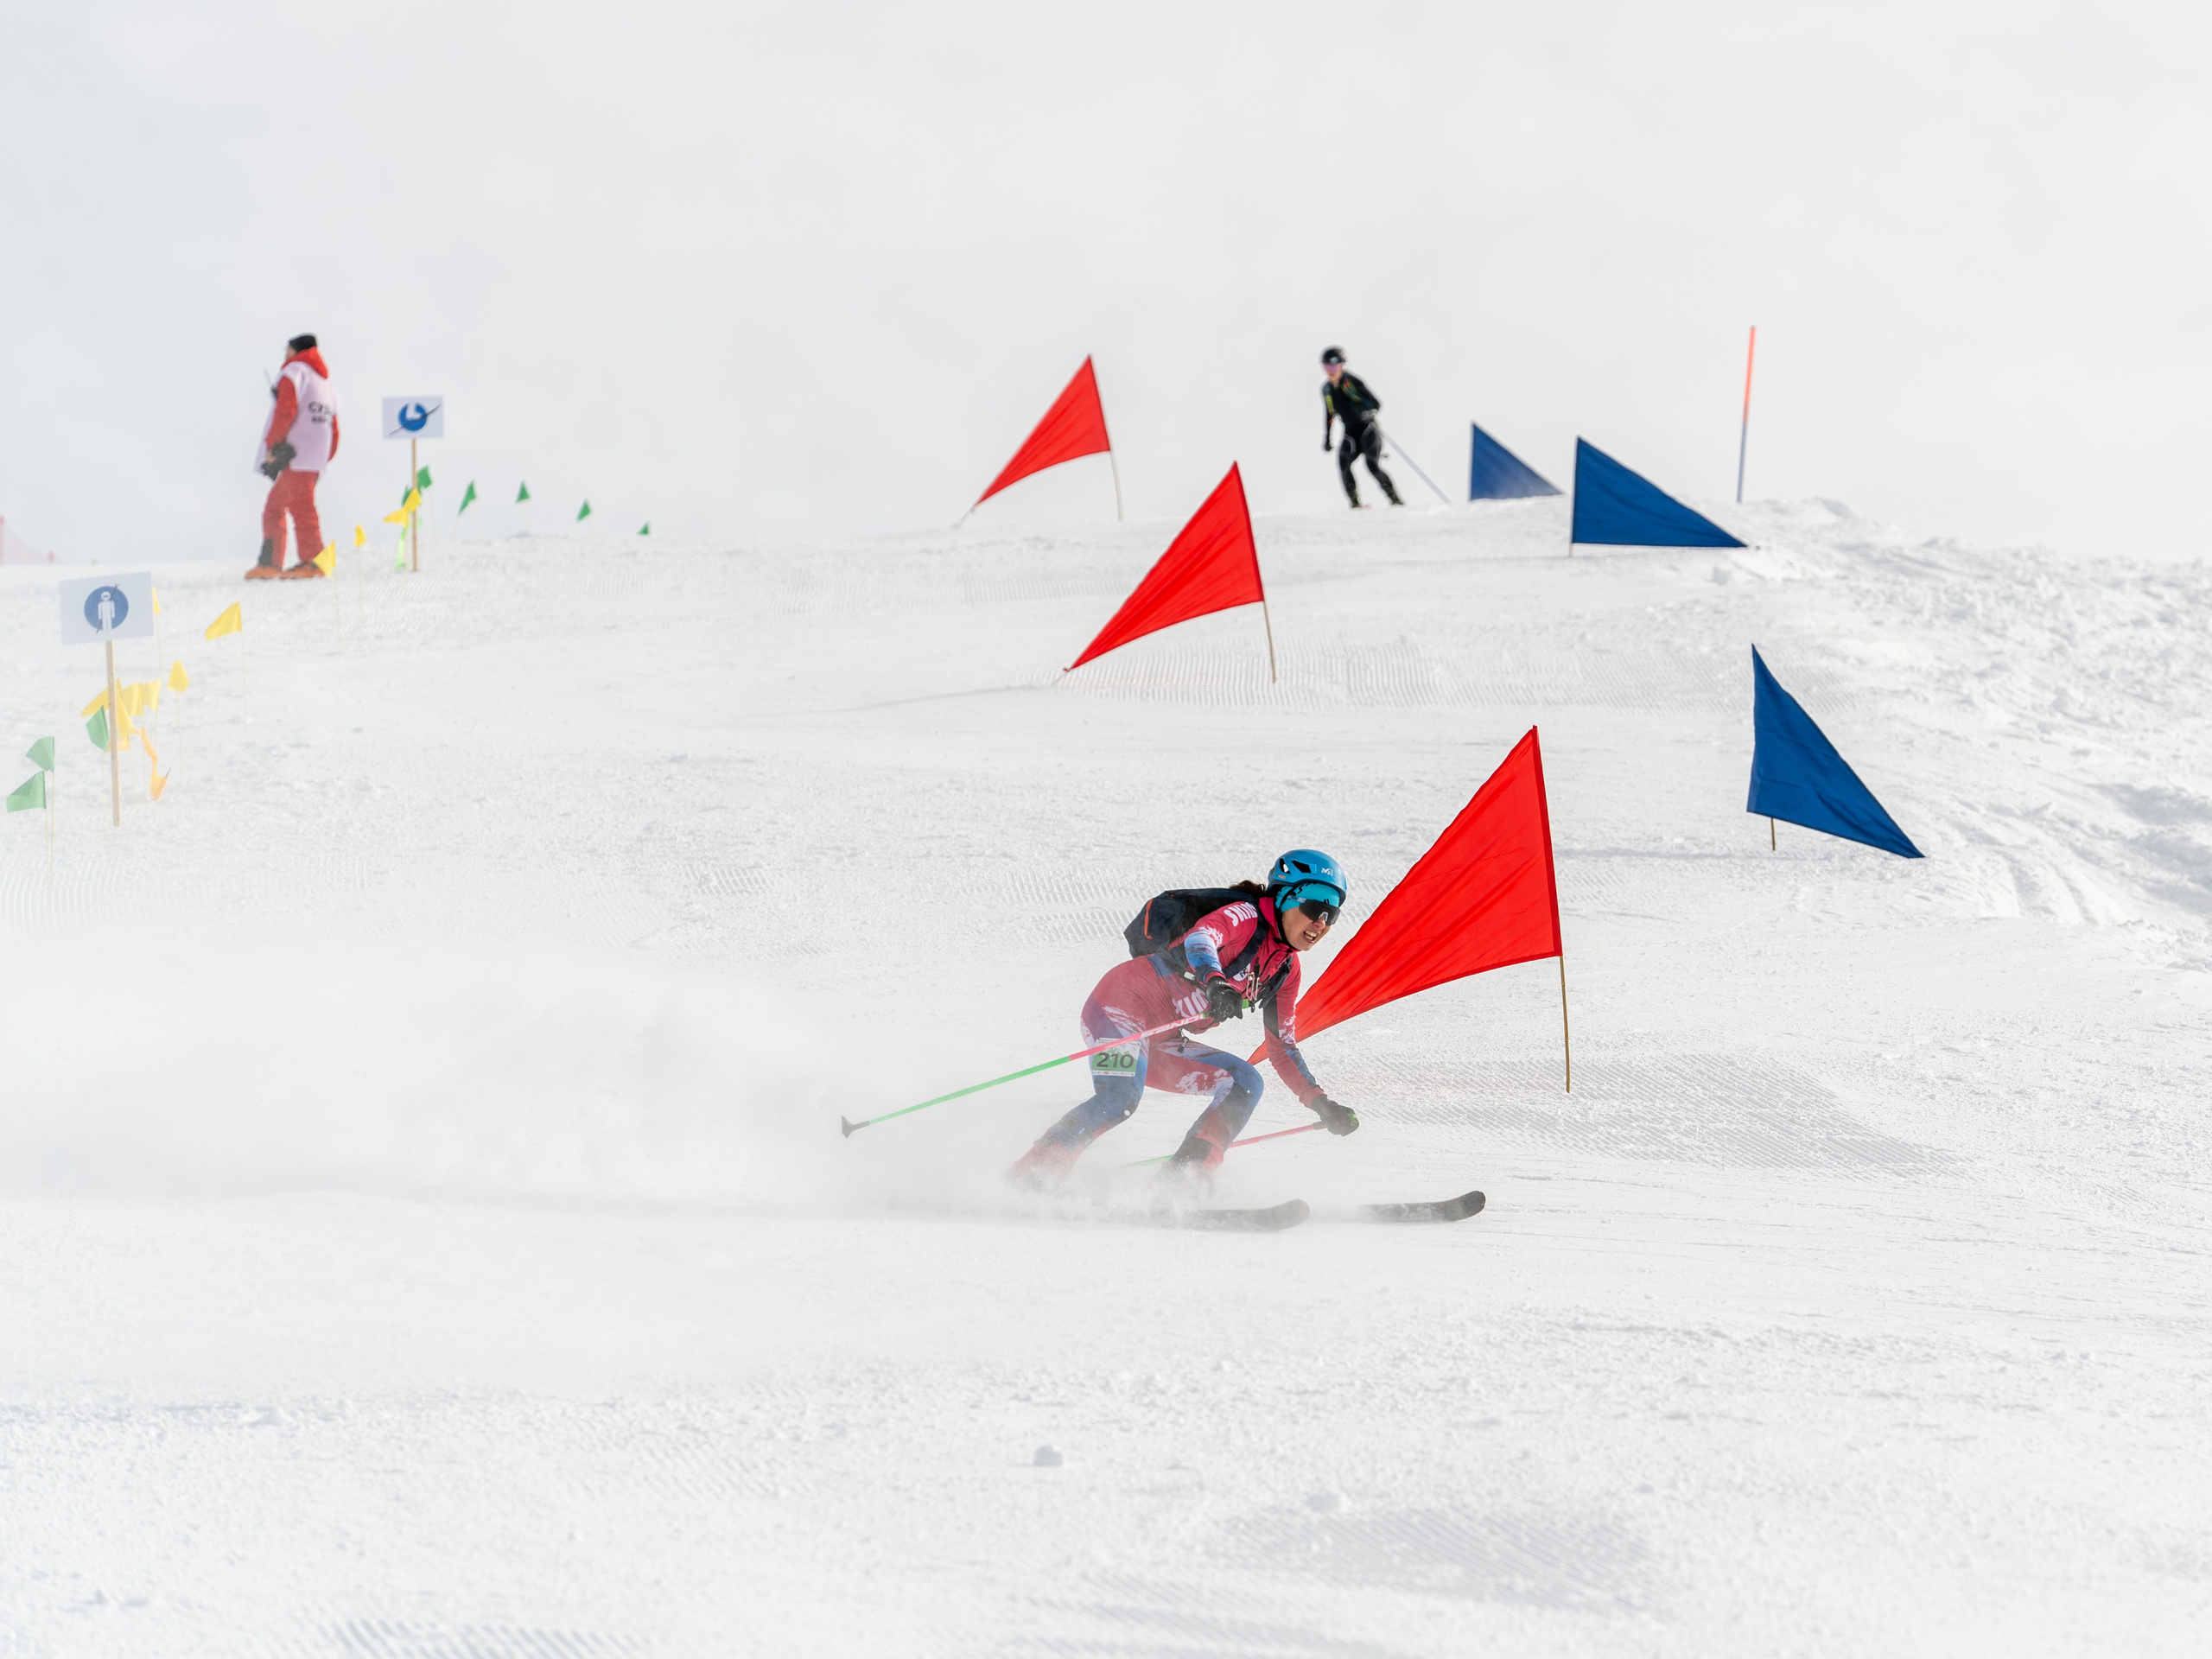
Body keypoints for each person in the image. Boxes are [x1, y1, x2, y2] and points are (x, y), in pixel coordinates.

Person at [1008, 850, 1362, 1190]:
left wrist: (1321, 1103)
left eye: (1333, 914)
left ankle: (1183, 1181)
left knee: (1245, 1082)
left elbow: (1282, 1046)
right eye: (1315, 906)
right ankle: (1033, 1174)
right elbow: (1202, 939)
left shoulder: (1286, 969)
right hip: (1117, 1009)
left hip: (1161, 1037)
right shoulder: (1246, 916)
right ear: (1285, 898)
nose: (1322, 922)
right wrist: (1215, 981)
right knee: (1119, 1098)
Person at [251, 334, 340, 580]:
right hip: (314, 457)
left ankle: (276, 564)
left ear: (295, 350)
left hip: (295, 453)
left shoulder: (294, 373)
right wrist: (324, 456)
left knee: (275, 509)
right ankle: (311, 562)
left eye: (286, 350)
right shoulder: (325, 384)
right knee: (301, 505)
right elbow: (335, 426)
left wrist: (273, 446)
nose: (284, 355)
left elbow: (285, 410)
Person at [1319, 346, 1402, 508]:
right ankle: (1355, 503)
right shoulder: (1327, 389)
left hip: (1368, 429)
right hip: (1350, 431)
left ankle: (1394, 499)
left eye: (1334, 366)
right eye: (1327, 367)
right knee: (1343, 463)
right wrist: (1327, 438)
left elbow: (1376, 403)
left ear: (1342, 365)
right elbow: (1329, 415)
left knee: (1372, 464)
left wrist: (1369, 413)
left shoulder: (1352, 382)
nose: (1331, 371)